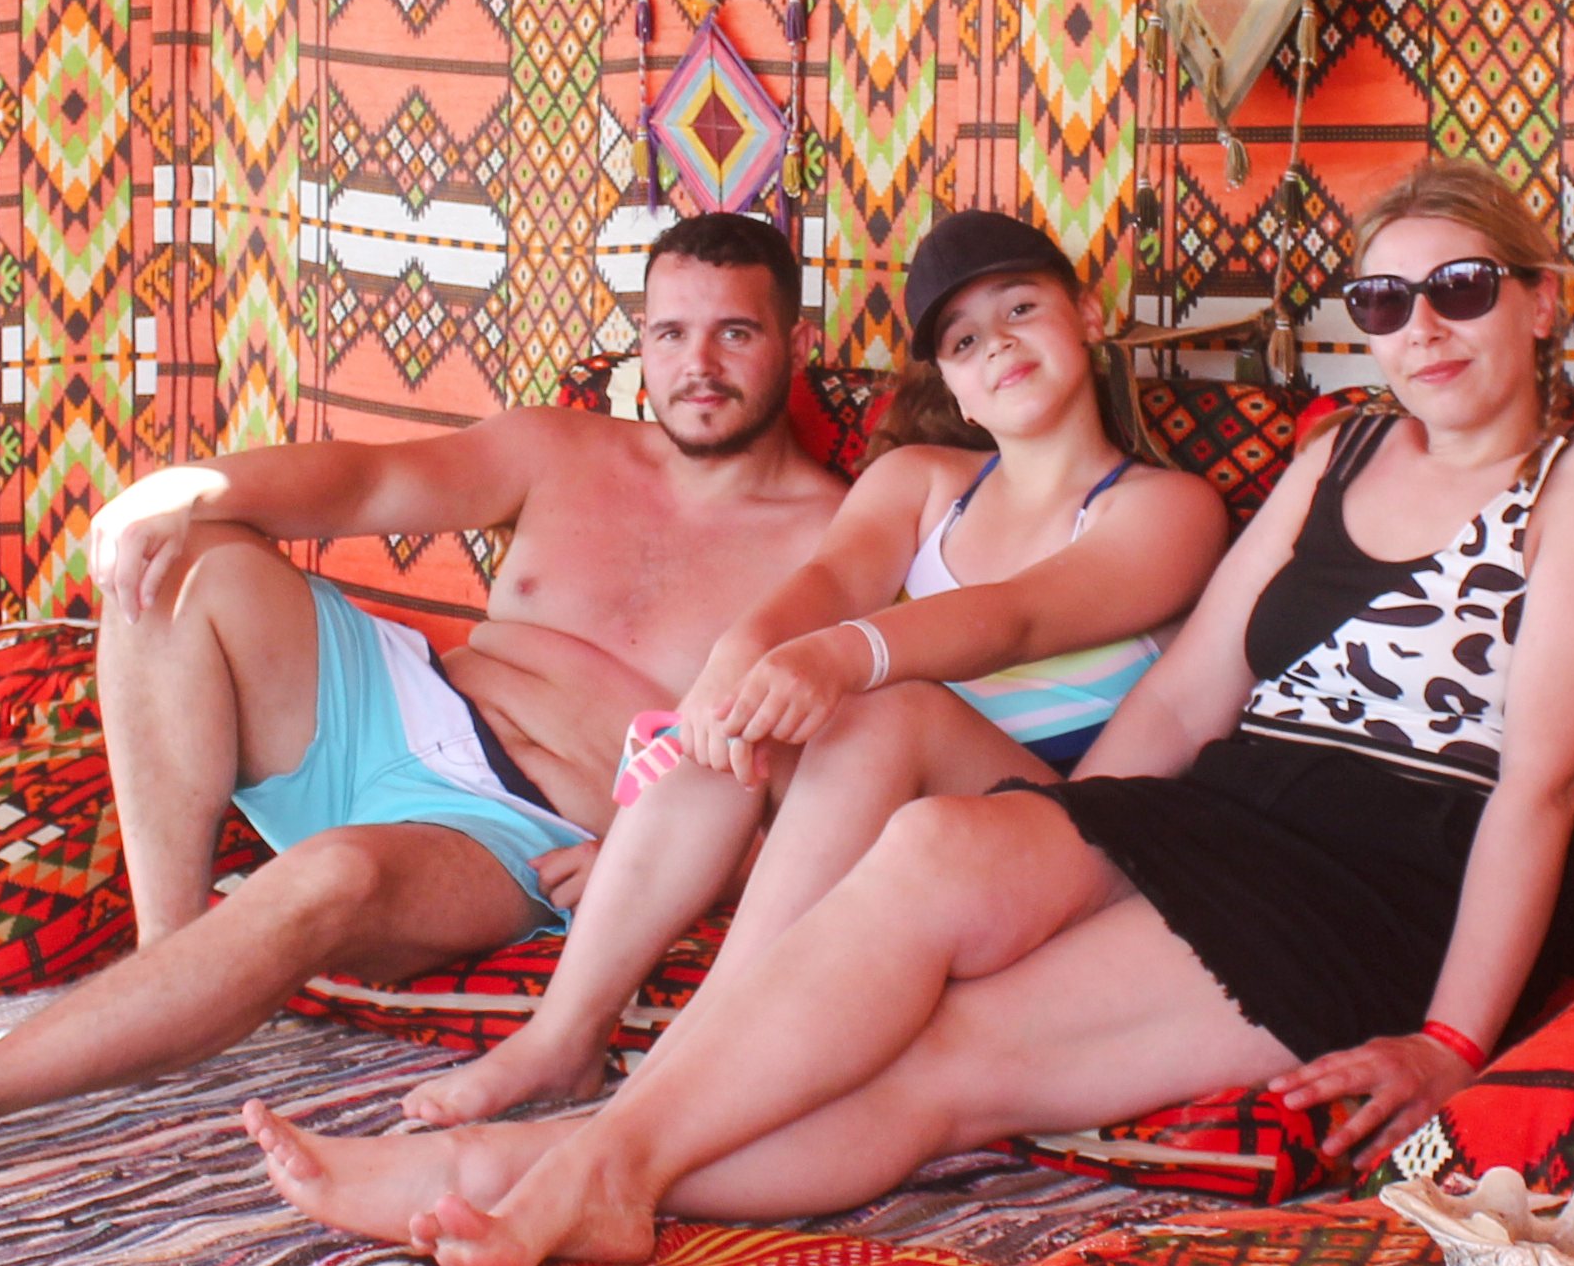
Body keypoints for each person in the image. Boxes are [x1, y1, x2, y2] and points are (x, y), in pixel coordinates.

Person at [251, 156, 1574, 1266]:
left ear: (1541, 300)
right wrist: (1075, 845)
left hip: (1378, 870)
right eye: (1383, 304)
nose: (1420, 331)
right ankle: (598, 1149)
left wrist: (1450, 1041)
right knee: (936, 846)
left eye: (1463, 293)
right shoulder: (1339, 457)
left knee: (948, 1060)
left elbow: (1535, 788)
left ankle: (539, 1175)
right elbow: (1189, 694)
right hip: (1223, 807)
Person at [0, 210, 844, 1186]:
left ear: (791, 341)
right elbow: (365, 483)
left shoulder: (840, 538)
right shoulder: (565, 448)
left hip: (511, 821)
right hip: (392, 705)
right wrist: (184, 489)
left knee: (332, 874)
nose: (695, 367)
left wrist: (688, 861)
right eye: (670, 334)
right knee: (179, 563)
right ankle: (172, 955)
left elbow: (845, 765)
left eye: (734, 334)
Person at [395, 207, 1229, 1130]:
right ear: (951, 382)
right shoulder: (921, 480)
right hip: (902, 832)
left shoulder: (1166, 508)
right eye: (963, 339)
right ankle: (562, 1039)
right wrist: (740, 662)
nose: (997, 345)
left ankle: (690, 1067)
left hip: (1065, 852)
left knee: (884, 711)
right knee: (747, 714)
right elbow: (829, 579)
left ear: (1088, 316)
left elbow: (1016, 616)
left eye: (1022, 309)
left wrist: (841, 658)